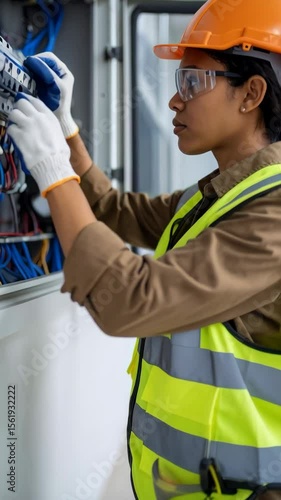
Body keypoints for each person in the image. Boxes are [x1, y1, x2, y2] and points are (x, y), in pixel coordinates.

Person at [7, 0, 281, 498]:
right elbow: (116, 211)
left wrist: (51, 171)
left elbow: (130, 300)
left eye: (193, 82)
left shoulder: (274, 218)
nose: (175, 102)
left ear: (252, 93)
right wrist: (65, 132)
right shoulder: (221, 194)